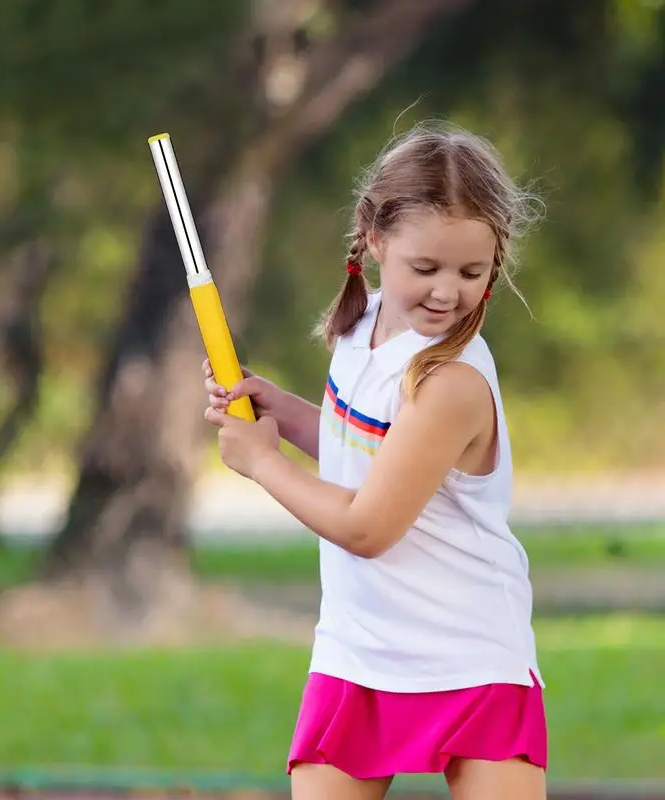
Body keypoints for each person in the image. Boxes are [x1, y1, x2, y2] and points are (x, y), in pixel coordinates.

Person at [202, 121, 547, 800]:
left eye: (472, 273)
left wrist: (263, 464)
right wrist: (280, 409)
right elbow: (356, 440)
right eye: (427, 269)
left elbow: (368, 526)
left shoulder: (450, 380)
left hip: (469, 653)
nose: (447, 293)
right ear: (374, 237)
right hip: (359, 647)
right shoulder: (366, 324)